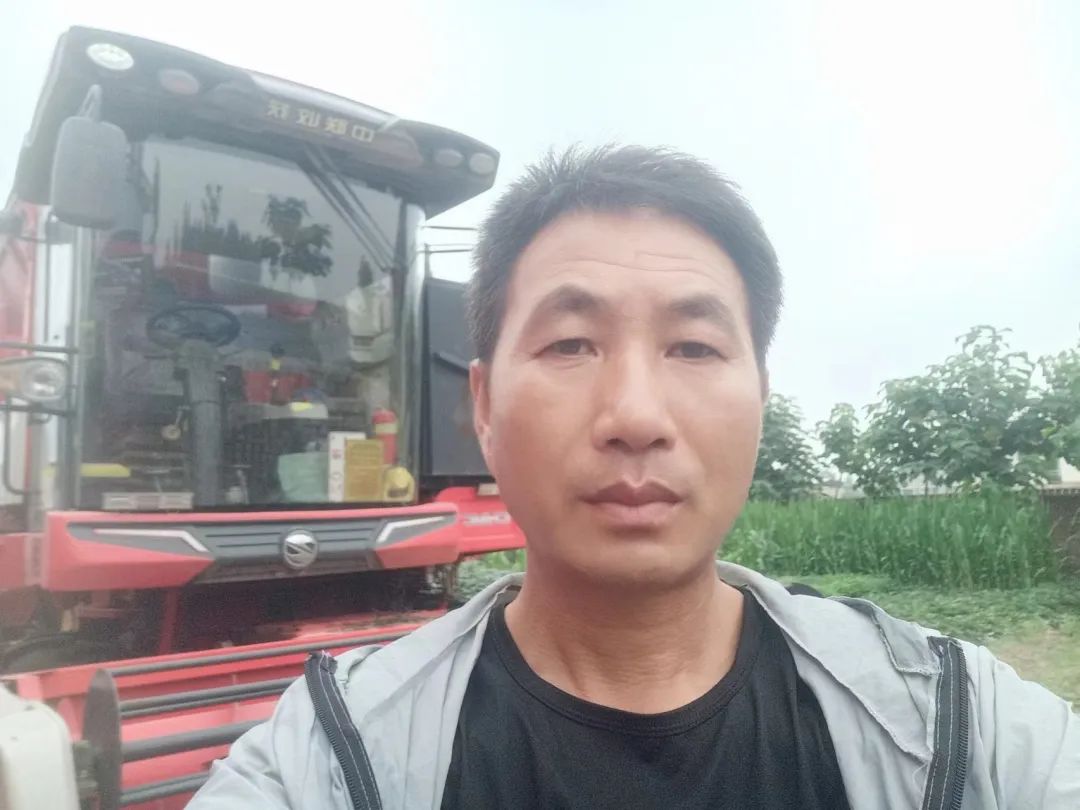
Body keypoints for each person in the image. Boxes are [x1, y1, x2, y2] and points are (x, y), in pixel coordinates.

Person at [188, 145, 1080, 809]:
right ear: (484, 405)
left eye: (694, 347)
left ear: (760, 399)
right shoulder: (333, 755)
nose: (636, 415)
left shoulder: (953, 723)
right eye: (571, 344)